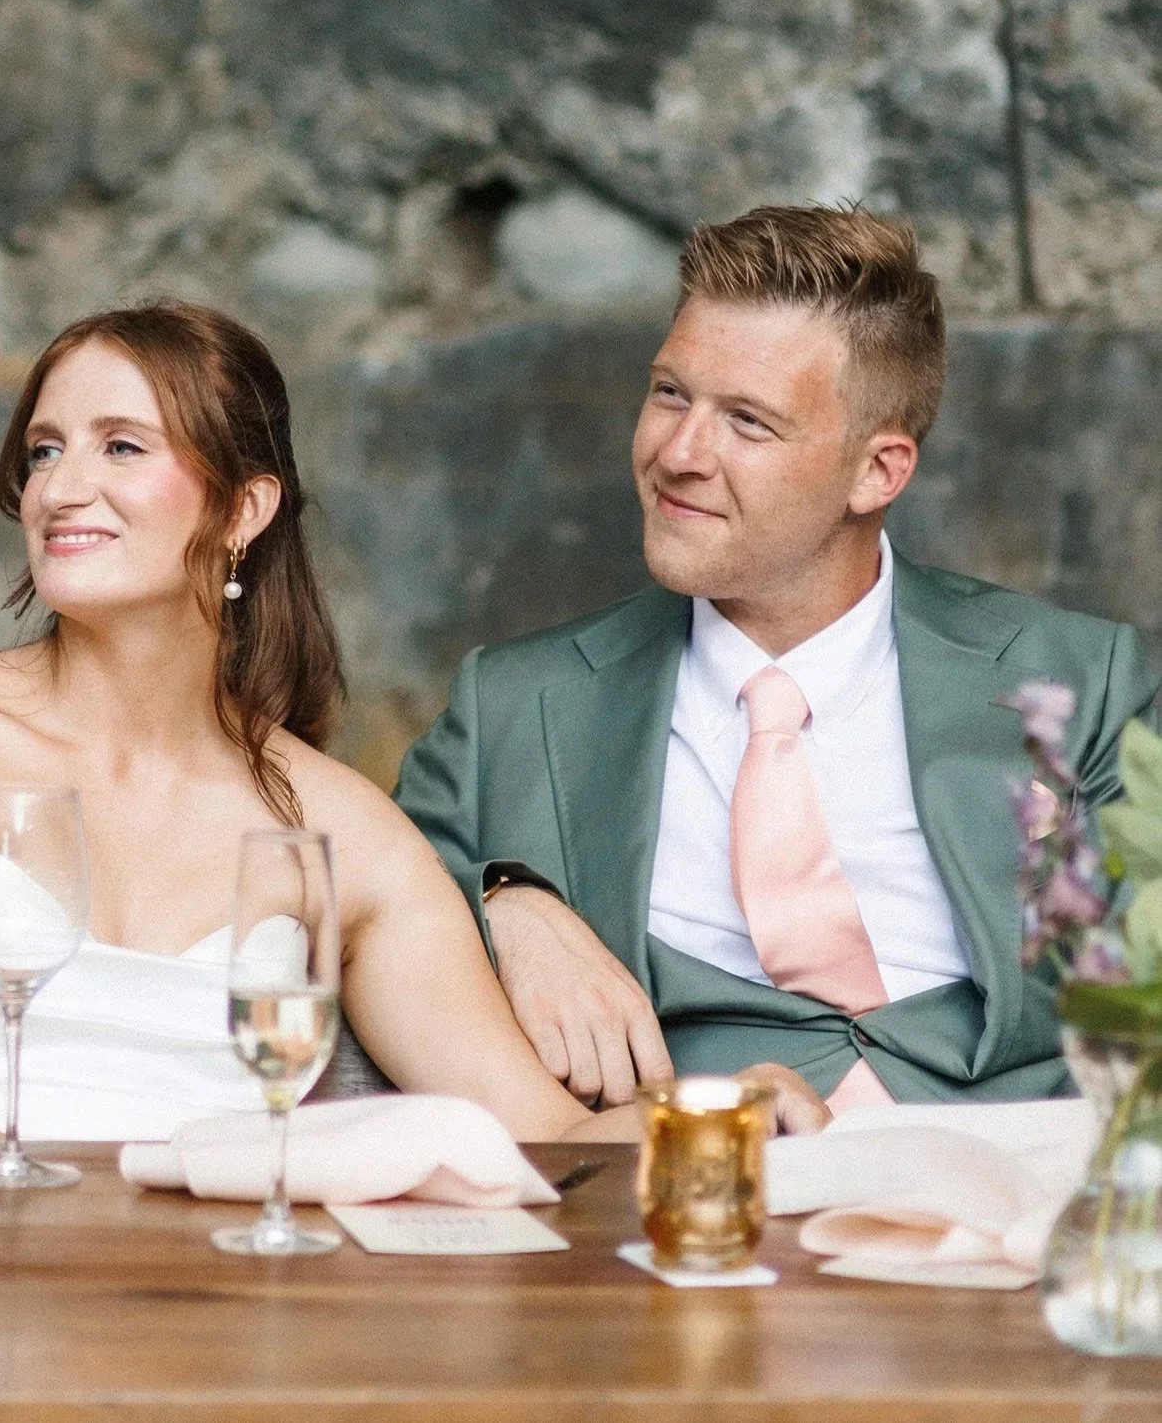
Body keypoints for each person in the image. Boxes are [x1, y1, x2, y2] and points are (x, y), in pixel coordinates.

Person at [0, 301, 804, 1144]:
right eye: (46, 448)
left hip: (220, 1312)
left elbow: (536, 1133)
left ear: (243, 509)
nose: (61, 485)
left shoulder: (338, 826)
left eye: (121, 445)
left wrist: (722, 1108)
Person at [395, 204, 1159, 1115]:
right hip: (689, 1192)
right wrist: (504, 903)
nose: (678, 453)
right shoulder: (513, 703)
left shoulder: (1081, 677)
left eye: (748, 422)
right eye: (670, 393)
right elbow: (354, 909)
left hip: (1019, 1186)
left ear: (878, 471)